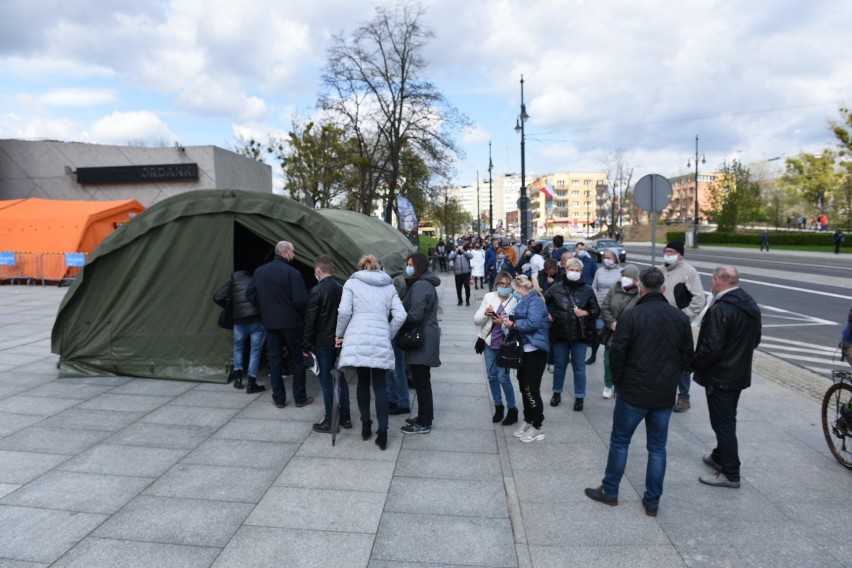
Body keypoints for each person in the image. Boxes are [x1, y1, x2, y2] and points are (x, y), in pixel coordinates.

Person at [585, 267, 694, 516]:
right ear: (663, 288)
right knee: (657, 447)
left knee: (621, 441)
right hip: (663, 394)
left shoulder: (633, 316)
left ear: (641, 288)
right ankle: (652, 501)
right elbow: (688, 358)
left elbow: (618, 354)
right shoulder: (679, 318)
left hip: (633, 391)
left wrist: (619, 383)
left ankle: (610, 490)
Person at [693, 266, 762, 489]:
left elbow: (711, 348)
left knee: (723, 424)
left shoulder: (721, 308)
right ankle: (719, 456)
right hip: (738, 374)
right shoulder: (750, 303)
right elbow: (756, 339)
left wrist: (692, 364)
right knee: (727, 419)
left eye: (713, 280)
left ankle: (731, 473)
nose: (711, 284)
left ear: (719, 280)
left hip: (720, 375)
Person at [335, 255, 406, 451]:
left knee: (363, 382)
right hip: (380, 338)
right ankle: (383, 432)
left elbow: (344, 312)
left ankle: (366, 424)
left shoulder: (351, 284)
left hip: (358, 338)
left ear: (360, 267)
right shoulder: (388, 285)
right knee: (381, 386)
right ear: (378, 267)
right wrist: (387, 332)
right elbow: (401, 315)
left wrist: (339, 334)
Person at [247, 241, 311, 409]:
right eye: (293, 252)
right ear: (286, 253)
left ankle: (279, 399)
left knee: (274, 360)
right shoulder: (293, 273)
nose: (295, 255)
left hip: (270, 321)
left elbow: (250, 294)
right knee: (297, 358)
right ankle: (299, 397)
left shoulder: (260, 272)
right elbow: (301, 301)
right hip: (292, 323)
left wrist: (264, 307)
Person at [302, 255, 351, 434]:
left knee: (326, 381)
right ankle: (345, 416)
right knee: (340, 378)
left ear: (318, 270)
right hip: (338, 340)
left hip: (322, 342)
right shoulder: (341, 288)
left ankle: (331, 419)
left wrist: (305, 345)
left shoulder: (316, 291)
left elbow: (310, 320)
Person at [544, 258, 600, 411]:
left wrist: (586, 312)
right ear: (566, 269)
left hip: (580, 334)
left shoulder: (587, 290)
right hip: (560, 332)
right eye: (572, 269)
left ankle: (579, 396)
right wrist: (548, 315)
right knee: (560, 365)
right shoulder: (556, 288)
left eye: (577, 270)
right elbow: (542, 302)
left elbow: (596, 310)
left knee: (579, 366)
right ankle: (557, 393)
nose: (574, 273)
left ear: (581, 272)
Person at [660, 240, 706, 413]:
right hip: (660, 322)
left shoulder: (689, 272)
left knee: (682, 359)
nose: (668, 254)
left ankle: (684, 396)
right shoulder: (659, 270)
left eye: (672, 251)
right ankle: (664, 392)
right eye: (666, 250)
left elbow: (699, 299)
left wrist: (683, 315)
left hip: (679, 324)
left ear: (680, 255)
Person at [504, 275, 550, 442]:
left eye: (515, 290)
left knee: (531, 388)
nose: (514, 293)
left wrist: (514, 325)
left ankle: (538, 426)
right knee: (524, 386)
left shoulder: (535, 301)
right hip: (525, 350)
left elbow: (533, 323)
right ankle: (528, 419)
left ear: (522, 288)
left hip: (536, 350)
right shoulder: (524, 301)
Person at [400, 252, 442, 435]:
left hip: (422, 338)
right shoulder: (426, 283)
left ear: (418, 266)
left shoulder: (420, 285)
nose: (408, 267)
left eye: (411, 264)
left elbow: (416, 314)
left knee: (422, 382)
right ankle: (424, 417)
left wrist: (399, 320)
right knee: (421, 380)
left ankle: (424, 422)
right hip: (427, 335)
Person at [474, 271, 519, 426]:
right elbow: (477, 320)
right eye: (501, 284)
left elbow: (518, 324)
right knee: (492, 376)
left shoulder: (515, 299)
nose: (504, 287)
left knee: (503, 378)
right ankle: (498, 406)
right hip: (489, 344)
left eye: (507, 284)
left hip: (506, 346)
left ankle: (512, 409)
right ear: (496, 284)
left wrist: (505, 323)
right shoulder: (489, 297)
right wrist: (487, 315)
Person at [213, 269, 266, 394]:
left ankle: (238, 379)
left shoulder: (232, 283)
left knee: (238, 348)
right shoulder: (255, 280)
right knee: (255, 351)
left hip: (239, 321)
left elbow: (217, 297)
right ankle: (251, 384)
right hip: (256, 320)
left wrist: (230, 306)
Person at [599, 264, 641, 399]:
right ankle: (608, 384)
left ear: (635, 280)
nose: (625, 279)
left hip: (629, 334)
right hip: (612, 333)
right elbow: (604, 307)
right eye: (624, 275)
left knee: (627, 361)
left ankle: (621, 386)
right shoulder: (614, 289)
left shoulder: (639, 294)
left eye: (628, 277)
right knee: (608, 360)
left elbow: (640, 314)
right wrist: (611, 322)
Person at [587, 250, 622, 365]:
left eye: (609, 257)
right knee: (597, 332)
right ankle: (593, 355)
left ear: (616, 258)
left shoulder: (621, 272)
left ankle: (612, 356)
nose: (606, 259)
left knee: (613, 332)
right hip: (600, 305)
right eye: (605, 257)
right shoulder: (599, 271)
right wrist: (596, 299)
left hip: (614, 307)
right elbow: (594, 287)